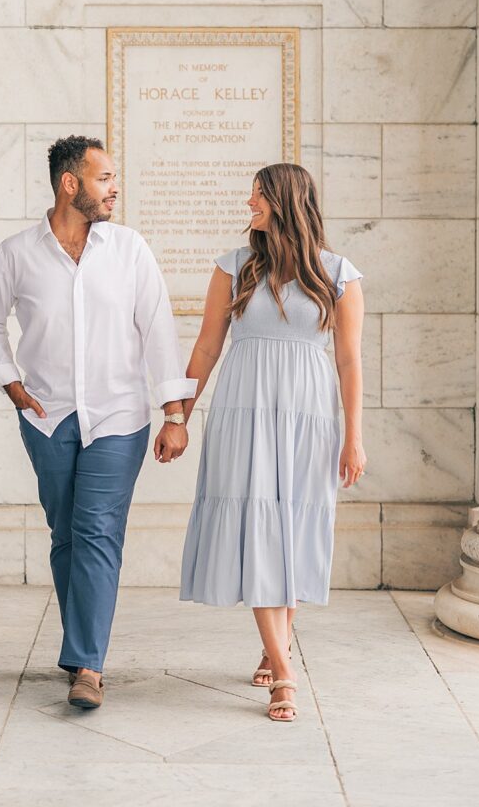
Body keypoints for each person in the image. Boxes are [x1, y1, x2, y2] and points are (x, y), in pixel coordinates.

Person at [0, 136, 196, 710]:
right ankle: (80, 647)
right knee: (66, 534)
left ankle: (88, 666)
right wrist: (12, 385)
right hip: (46, 418)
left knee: (96, 529)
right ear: (70, 184)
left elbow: (159, 331)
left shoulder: (130, 249)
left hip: (119, 417)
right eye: (104, 178)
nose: (114, 188)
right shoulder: (17, 253)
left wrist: (174, 412)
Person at [180, 162, 366, 722]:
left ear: (285, 202)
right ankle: (284, 673)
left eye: (258, 197)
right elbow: (208, 346)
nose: (249, 206)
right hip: (243, 413)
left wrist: (354, 436)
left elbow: (350, 359)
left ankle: (274, 645)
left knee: (293, 526)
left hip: (309, 416)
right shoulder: (232, 267)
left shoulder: (338, 274)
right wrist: (179, 415)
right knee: (257, 524)